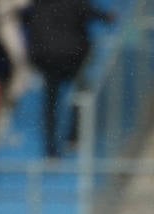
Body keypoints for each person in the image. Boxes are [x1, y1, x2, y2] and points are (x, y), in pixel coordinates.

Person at [23, 0, 111, 158]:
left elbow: (25, 17)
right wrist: (108, 17)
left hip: (50, 58)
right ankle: (73, 137)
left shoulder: (39, 4)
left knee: (53, 103)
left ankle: (51, 149)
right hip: (72, 57)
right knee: (79, 95)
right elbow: (94, 13)